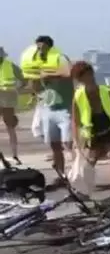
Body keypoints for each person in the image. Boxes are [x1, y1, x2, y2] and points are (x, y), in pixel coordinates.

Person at [70, 61, 110, 195]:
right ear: (79, 79)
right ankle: (83, 192)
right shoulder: (78, 96)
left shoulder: (105, 91)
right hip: (94, 135)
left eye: (89, 74)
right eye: (83, 76)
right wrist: (76, 141)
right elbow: (75, 121)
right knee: (87, 165)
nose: (88, 78)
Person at [22, 36, 74, 185]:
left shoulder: (60, 58)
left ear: (49, 47)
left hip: (64, 108)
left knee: (68, 143)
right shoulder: (36, 62)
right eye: (38, 48)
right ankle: (61, 175)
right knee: (54, 145)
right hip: (47, 108)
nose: (40, 51)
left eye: (42, 47)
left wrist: (51, 75)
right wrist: (33, 93)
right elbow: (35, 83)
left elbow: (69, 74)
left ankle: (77, 174)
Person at [0, 47, 25, 164]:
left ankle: (14, 155)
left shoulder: (10, 65)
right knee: (10, 129)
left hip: (7, 100)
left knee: (10, 128)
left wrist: (17, 88)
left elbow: (23, 79)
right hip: (7, 99)